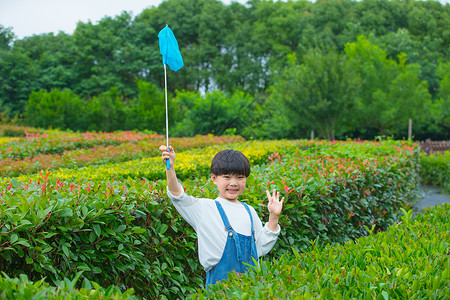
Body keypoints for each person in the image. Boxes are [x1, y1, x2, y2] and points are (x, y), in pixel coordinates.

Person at [159, 145, 284, 287]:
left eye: (240, 177)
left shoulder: (249, 211)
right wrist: (170, 167)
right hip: (218, 288)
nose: (233, 183)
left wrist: (274, 216)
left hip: (251, 288)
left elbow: (260, 246)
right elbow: (178, 197)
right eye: (227, 177)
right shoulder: (204, 208)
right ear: (214, 178)